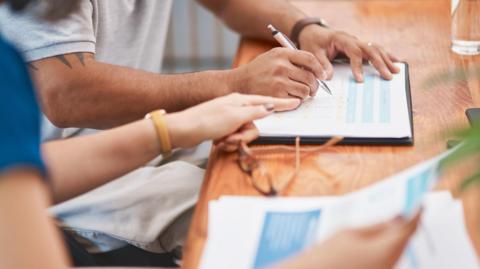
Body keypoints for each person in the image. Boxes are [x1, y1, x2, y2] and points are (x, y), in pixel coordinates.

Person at [0, 3, 420, 266]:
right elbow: (65, 91)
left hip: (147, 139)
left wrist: (304, 25)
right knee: (254, 212)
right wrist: (229, 85)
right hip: (83, 179)